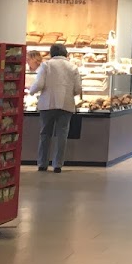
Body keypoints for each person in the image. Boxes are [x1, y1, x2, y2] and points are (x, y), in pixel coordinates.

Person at [28, 43, 81, 173]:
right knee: (62, 135)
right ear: (65, 53)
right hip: (66, 104)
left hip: (47, 104)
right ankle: (58, 165)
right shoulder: (73, 67)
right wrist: (70, 93)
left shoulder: (46, 65)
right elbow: (78, 88)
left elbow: (39, 84)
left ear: (51, 53)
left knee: (45, 134)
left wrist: (31, 91)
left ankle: (42, 164)